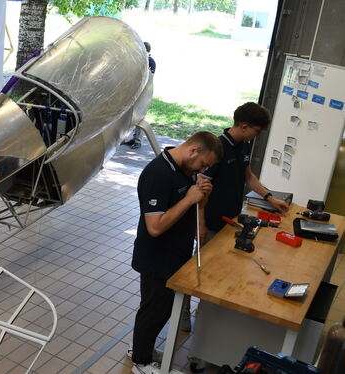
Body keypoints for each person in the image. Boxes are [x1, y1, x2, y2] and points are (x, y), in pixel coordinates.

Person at [130, 131, 222, 374]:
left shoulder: (185, 169)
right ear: (193, 151)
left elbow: (190, 211)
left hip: (175, 256)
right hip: (156, 258)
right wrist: (190, 199)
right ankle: (140, 362)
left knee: (160, 309)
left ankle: (143, 349)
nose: (203, 169)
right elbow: (155, 227)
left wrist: (202, 199)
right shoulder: (157, 174)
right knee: (153, 310)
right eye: (204, 164)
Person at [203, 102, 289, 237]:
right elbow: (201, 187)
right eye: (257, 131)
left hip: (234, 217)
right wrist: (201, 223)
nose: (258, 135)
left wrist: (270, 199)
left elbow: (248, 176)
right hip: (212, 222)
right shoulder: (217, 148)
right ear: (244, 126)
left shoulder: (244, 146)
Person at [123, 41, 155, 150]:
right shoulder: (138, 60)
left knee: (139, 117)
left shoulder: (150, 61)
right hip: (134, 93)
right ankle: (131, 138)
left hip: (143, 94)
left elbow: (147, 77)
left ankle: (138, 140)